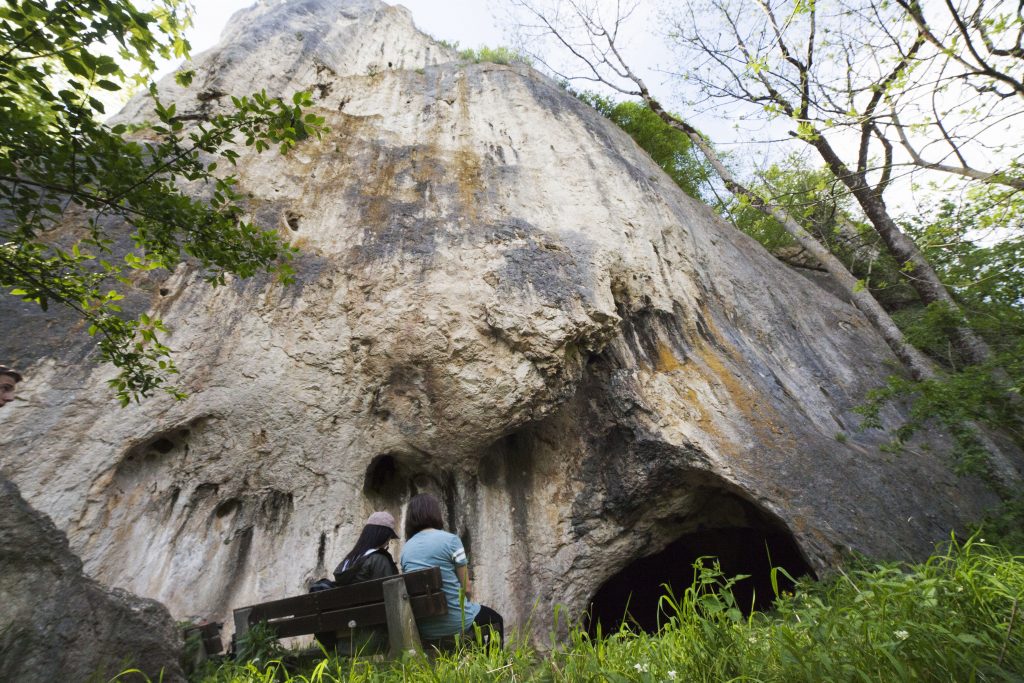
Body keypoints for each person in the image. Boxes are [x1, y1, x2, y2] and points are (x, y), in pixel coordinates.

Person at [400, 493, 504, 647]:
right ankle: (491, 668)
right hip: (457, 622)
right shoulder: (451, 541)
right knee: (496, 619)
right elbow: (467, 589)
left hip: (425, 628)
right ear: (435, 512)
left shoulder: (406, 550)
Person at [316, 511, 399, 653]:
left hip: (344, 639)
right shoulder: (378, 560)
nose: (388, 543)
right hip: (373, 638)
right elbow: (392, 599)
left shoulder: (349, 561)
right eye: (388, 538)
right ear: (382, 535)